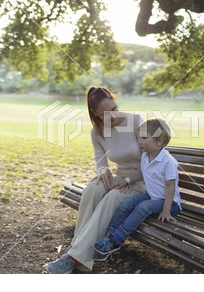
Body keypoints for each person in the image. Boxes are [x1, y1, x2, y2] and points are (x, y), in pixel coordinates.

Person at [43, 86, 146, 274]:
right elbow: (100, 160)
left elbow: (151, 162)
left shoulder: (136, 121)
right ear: (96, 115)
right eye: (106, 114)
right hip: (122, 176)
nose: (113, 116)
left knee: (113, 197)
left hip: (143, 181)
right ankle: (76, 254)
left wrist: (129, 180)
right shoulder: (96, 132)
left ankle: (73, 257)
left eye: (114, 109)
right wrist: (104, 170)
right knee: (93, 189)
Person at [92, 118, 181, 261]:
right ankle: (108, 238)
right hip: (152, 197)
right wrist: (126, 181)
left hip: (169, 203)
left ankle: (117, 239)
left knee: (142, 207)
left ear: (160, 141)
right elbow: (141, 172)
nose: (139, 141)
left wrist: (166, 210)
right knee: (127, 203)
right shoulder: (146, 155)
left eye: (144, 138)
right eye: (139, 137)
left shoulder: (168, 161)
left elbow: (170, 187)